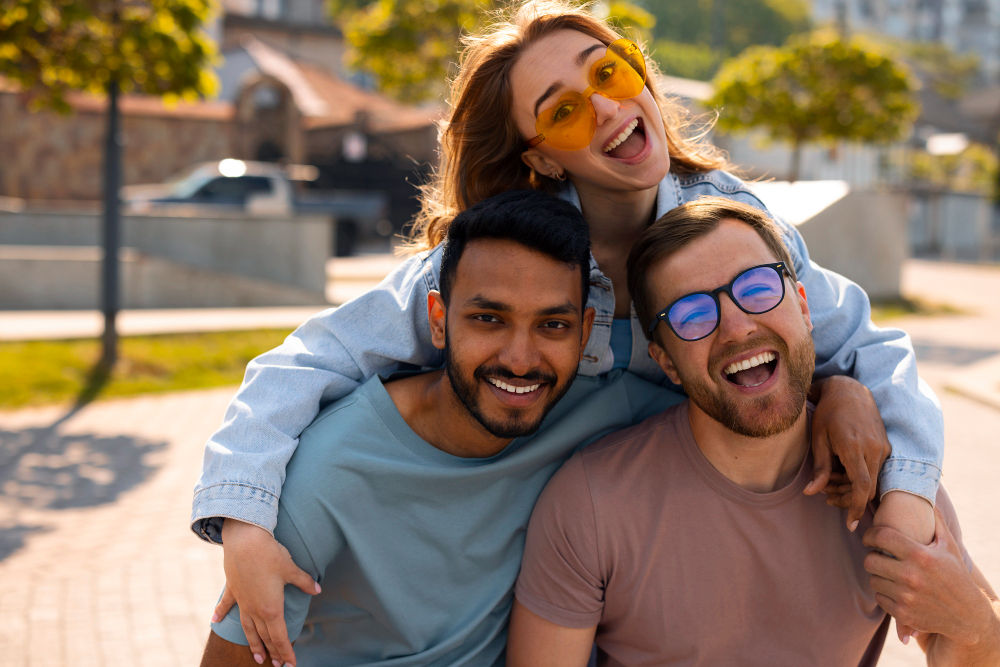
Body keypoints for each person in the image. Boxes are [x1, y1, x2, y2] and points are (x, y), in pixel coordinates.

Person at [191, 2, 943, 663]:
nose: (608, 109)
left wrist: (852, 403)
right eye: (562, 110)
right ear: (540, 154)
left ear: (643, 75)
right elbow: (312, 359)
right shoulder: (511, 265)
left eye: (609, 74)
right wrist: (246, 522)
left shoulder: (728, 226)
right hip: (552, 551)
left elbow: (858, 341)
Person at [507, 198, 999, 667]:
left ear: (804, 307)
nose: (738, 328)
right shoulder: (592, 503)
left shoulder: (890, 483)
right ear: (666, 363)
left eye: (758, 289)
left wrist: (975, 624)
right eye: (692, 315)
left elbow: (971, 644)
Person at [199, 190, 685, 666]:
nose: (520, 360)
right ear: (438, 320)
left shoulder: (607, 412)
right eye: (488, 319)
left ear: (584, 332)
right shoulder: (328, 475)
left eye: (552, 326)